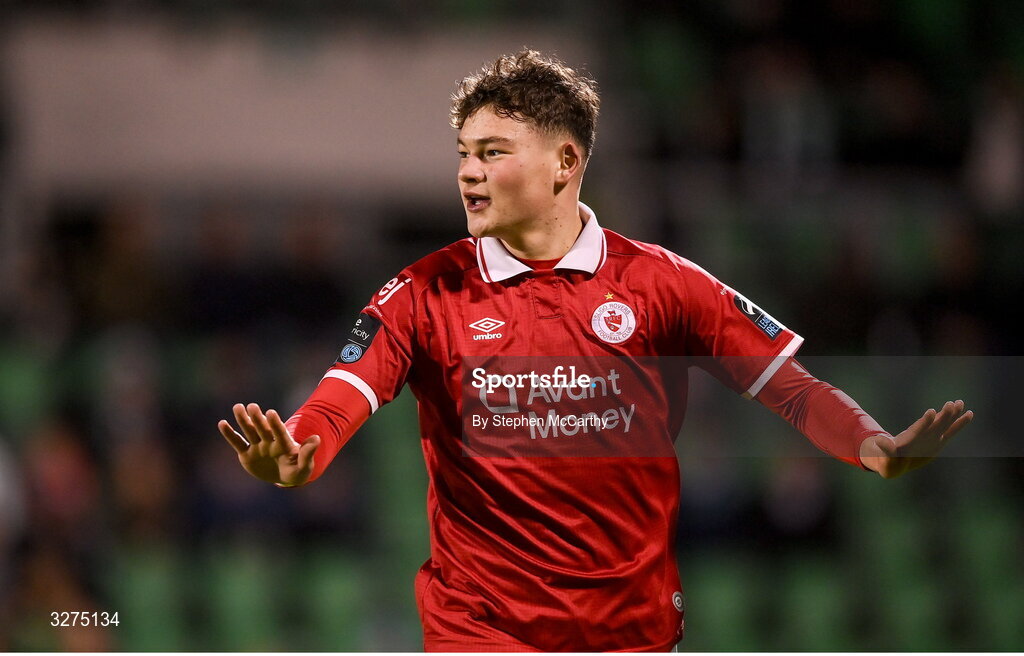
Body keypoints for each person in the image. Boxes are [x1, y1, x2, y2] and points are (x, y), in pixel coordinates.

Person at [217, 50, 973, 652]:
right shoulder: (421, 292)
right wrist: (300, 454)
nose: (468, 172)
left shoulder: (663, 282)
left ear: (565, 163)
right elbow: (341, 394)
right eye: (463, 152)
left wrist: (870, 444)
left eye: (492, 151)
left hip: (632, 631)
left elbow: (790, 387)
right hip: (482, 629)